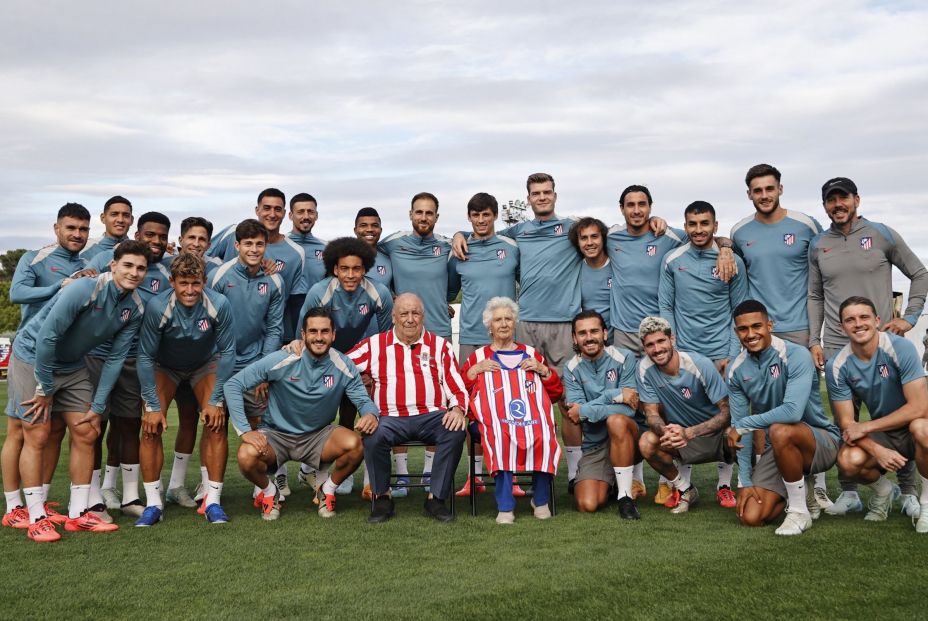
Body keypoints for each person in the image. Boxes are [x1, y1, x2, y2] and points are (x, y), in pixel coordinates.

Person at [6, 240, 151, 541]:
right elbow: (47, 337)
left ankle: (78, 515)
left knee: (87, 430)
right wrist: (45, 387)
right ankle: (36, 517)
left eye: (140, 268)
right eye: (128, 265)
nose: (134, 272)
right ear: (113, 265)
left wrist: (98, 406)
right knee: (37, 432)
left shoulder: (135, 307)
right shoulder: (83, 289)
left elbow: (114, 360)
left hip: (72, 365)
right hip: (33, 357)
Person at [809, 177, 928, 516]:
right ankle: (850, 490)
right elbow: (814, 294)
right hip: (836, 343)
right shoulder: (818, 244)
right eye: (831, 200)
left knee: (897, 414)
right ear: (825, 206)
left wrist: (909, 316)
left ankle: (907, 491)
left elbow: (920, 273)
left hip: (877, 340)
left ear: (856, 200)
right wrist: (813, 340)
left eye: (843, 198)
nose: (838, 205)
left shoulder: (881, 234)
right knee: (845, 421)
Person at [730, 164, 832, 509]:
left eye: (769, 188)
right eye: (757, 190)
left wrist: (816, 335)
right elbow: (737, 271)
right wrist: (724, 247)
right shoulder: (741, 231)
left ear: (780, 189)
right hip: (757, 328)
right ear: (749, 194)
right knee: (763, 402)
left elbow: (819, 275)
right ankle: (771, 474)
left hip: (798, 327)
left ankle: (817, 485)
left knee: (806, 406)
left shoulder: (805, 225)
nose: (763, 195)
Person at [228, 308, 377, 520]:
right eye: (313, 331)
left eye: (325, 331)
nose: (319, 337)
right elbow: (234, 384)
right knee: (246, 455)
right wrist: (244, 431)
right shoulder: (283, 358)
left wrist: (370, 414)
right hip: (276, 436)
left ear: (333, 335)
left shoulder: (343, 364)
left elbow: (363, 400)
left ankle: (327, 490)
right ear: (303, 334)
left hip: (318, 436)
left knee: (356, 445)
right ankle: (270, 493)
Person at [3, 203, 91, 530]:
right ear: (57, 228)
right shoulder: (35, 257)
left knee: (51, 431)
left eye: (83, 229)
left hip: (63, 357)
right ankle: (15, 506)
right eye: (71, 228)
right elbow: (17, 294)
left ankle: (40, 497)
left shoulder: (86, 263)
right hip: (31, 350)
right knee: (21, 431)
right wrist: (60, 286)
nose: (77, 235)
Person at [134, 253, 236, 526]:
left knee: (216, 421)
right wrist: (153, 406)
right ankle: (154, 503)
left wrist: (215, 400)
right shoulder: (158, 306)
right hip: (165, 366)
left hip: (204, 365)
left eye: (196, 283)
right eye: (183, 283)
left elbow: (227, 353)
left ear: (204, 281)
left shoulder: (219, 304)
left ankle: (212, 501)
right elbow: (144, 357)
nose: (190, 290)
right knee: (150, 425)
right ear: (172, 282)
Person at [347, 293, 468, 523]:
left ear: (423, 317)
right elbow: (341, 366)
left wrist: (457, 409)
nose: (410, 319)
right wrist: (359, 382)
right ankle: (382, 497)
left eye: (415, 313)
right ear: (394, 317)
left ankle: (436, 498)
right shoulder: (375, 345)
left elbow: (458, 387)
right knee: (373, 433)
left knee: (455, 430)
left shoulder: (440, 346)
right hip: (389, 418)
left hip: (432, 416)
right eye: (404, 313)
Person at [85, 212, 173, 521]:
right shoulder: (110, 258)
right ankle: (93, 497)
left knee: (128, 425)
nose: (156, 241)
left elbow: (198, 268)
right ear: (137, 234)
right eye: (150, 235)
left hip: (137, 358)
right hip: (97, 356)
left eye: (162, 236)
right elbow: (85, 279)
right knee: (95, 427)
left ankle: (131, 496)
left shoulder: (168, 270)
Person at [658, 200, 746, 506]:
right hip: (686, 353)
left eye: (704, 224)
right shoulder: (672, 260)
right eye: (692, 224)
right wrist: (674, 351)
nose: (698, 230)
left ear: (715, 226)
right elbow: (665, 308)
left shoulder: (730, 260)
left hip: (722, 352)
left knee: (726, 415)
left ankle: (725, 485)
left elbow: (739, 311)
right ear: (685, 227)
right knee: (683, 413)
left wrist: (732, 355)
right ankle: (683, 486)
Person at [727, 300, 841, 536]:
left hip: (820, 441)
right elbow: (741, 437)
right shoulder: (736, 370)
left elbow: (792, 413)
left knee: (781, 429)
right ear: (736, 331)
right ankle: (800, 488)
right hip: (778, 448)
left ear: (770, 325)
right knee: (751, 516)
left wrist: (744, 424)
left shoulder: (796, 354)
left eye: (756, 326)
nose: (750, 334)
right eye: (743, 329)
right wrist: (745, 482)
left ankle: (799, 511)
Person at [298, 237, 393, 495]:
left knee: (360, 414)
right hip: (325, 359)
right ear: (335, 269)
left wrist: (372, 371)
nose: (350, 275)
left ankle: (362, 477)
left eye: (357, 269)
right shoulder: (320, 292)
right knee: (324, 417)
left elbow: (387, 339)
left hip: (358, 361)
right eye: (344, 269)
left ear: (365, 269)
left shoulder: (379, 293)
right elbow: (305, 336)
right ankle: (313, 472)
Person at [826, 296, 928, 532]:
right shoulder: (837, 365)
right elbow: (847, 423)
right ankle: (884, 492)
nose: (858, 324)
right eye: (850, 320)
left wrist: (868, 427)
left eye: (864, 317)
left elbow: (919, 408)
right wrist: (877, 450)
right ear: (842, 326)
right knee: (847, 461)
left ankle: (925, 503)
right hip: (885, 433)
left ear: (877, 320)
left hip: (918, 424)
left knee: (921, 428)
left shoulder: (899, 347)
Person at [378, 193, 458, 493]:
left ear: (437, 217)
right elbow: (369, 249)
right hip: (401, 333)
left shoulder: (448, 246)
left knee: (435, 403)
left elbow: (451, 287)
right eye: (419, 212)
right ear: (410, 214)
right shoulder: (393, 243)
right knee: (398, 401)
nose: (424, 217)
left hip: (438, 332)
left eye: (430, 213)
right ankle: (400, 474)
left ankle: (427, 472)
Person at [207, 219, 285, 514]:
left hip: (255, 361)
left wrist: (264, 369)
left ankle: (262, 487)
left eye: (259, 244)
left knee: (260, 425)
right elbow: (209, 323)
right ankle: (210, 490)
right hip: (219, 361)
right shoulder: (220, 276)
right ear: (236, 246)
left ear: (266, 246)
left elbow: (275, 327)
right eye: (248, 244)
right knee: (216, 426)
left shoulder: (274, 279)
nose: (254, 249)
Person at [462, 297, 561, 524]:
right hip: (492, 423)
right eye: (498, 320)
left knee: (544, 434)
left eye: (508, 318)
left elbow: (555, 393)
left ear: (515, 323)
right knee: (500, 435)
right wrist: (474, 371)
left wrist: (543, 370)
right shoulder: (478, 357)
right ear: (490, 325)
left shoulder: (531, 354)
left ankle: (541, 499)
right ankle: (505, 506)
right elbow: (461, 393)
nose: (504, 324)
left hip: (530, 420)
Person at [447, 193, 519, 498]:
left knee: (511, 407)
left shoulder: (512, 248)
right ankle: (474, 475)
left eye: (486, 214)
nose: (481, 220)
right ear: (469, 217)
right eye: (475, 215)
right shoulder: (459, 251)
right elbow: (448, 291)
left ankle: (510, 474)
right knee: (471, 408)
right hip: (471, 340)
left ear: (495, 216)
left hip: (506, 338)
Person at [637, 316, 734, 514]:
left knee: (740, 433)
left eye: (661, 341)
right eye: (650, 345)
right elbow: (651, 413)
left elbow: (727, 412)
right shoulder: (644, 368)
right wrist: (665, 431)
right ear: (644, 347)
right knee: (646, 441)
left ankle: (727, 486)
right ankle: (685, 489)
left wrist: (690, 432)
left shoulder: (699, 364)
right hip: (681, 439)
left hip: (715, 435)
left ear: (672, 339)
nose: (656, 349)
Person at [158, 216, 221, 509]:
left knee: (195, 421)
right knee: (151, 422)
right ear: (180, 240)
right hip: (166, 359)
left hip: (201, 359)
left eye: (202, 239)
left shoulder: (218, 268)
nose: (196, 244)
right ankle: (151, 492)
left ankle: (191, 486)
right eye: (191, 238)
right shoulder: (160, 262)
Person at [562, 311, 642, 519]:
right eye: (582, 333)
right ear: (574, 338)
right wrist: (615, 395)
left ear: (605, 334)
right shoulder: (571, 368)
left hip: (629, 438)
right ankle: (612, 482)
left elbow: (629, 409)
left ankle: (625, 498)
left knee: (617, 420)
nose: (589, 337)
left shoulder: (624, 357)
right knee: (587, 504)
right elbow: (575, 414)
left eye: (594, 331)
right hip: (596, 445)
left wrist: (587, 409)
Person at [207, 188, 304, 341]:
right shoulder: (233, 233)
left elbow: (293, 302)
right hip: (225, 339)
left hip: (265, 338)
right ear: (257, 210)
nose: (272, 214)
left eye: (277, 209)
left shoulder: (296, 253)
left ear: (285, 213)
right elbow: (203, 256)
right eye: (266, 208)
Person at [286, 192, 327, 344]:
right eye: (300, 212)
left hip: (316, 324)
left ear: (316, 215)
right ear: (290, 215)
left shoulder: (326, 248)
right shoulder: (281, 245)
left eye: (310, 212)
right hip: (285, 323)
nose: (306, 216)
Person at [569, 218, 612, 339]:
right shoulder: (575, 270)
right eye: (583, 238)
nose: (589, 242)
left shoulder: (618, 265)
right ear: (577, 242)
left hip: (620, 339)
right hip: (590, 340)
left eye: (594, 236)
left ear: (603, 238)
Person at [81, 196, 133, 260]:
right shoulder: (84, 247)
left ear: (132, 220)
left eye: (126, 215)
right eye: (114, 214)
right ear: (103, 218)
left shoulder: (139, 250)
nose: (120, 220)